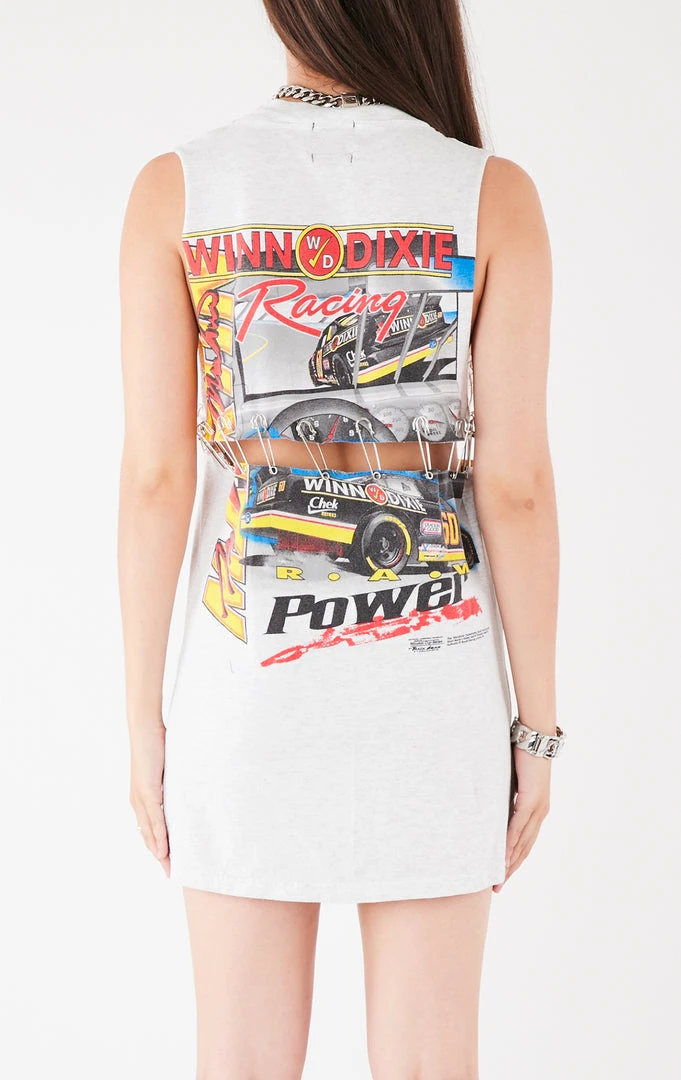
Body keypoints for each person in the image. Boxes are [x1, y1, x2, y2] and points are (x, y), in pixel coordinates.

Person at [117, 1, 564, 1076]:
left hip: (241, 703)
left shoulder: (179, 189)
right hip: (434, 702)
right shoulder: (488, 193)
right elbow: (515, 489)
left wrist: (143, 721)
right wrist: (537, 729)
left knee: (239, 1060)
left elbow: (156, 479)